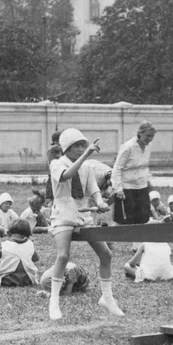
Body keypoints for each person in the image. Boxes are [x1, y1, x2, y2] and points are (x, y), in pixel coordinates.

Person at [47, 128, 123, 320]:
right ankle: (54, 302)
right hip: (62, 216)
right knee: (63, 256)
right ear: (66, 148)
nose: (81, 149)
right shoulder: (57, 163)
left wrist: (100, 202)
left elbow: (94, 190)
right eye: (77, 146)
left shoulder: (87, 167)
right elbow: (66, 175)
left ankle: (107, 298)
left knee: (106, 254)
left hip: (83, 218)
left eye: (83, 145)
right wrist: (87, 154)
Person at [111, 121, 156, 225]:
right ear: (140, 134)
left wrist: (148, 181)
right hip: (127, 188)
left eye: (152, 136)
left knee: (144, 218)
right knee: (127, 220)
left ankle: (140, 241)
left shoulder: (148, 146)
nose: (150, 139)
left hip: (142, 187)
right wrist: (118, 189)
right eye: (148, 136)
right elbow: (117, 168)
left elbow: (144, 166)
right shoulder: (128, 147)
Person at [0, 219, 42, 288]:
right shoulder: (30, 244)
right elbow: (36, 259)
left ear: (10, 232)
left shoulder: (4, 245)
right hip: (28, 281)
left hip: (8, 281)